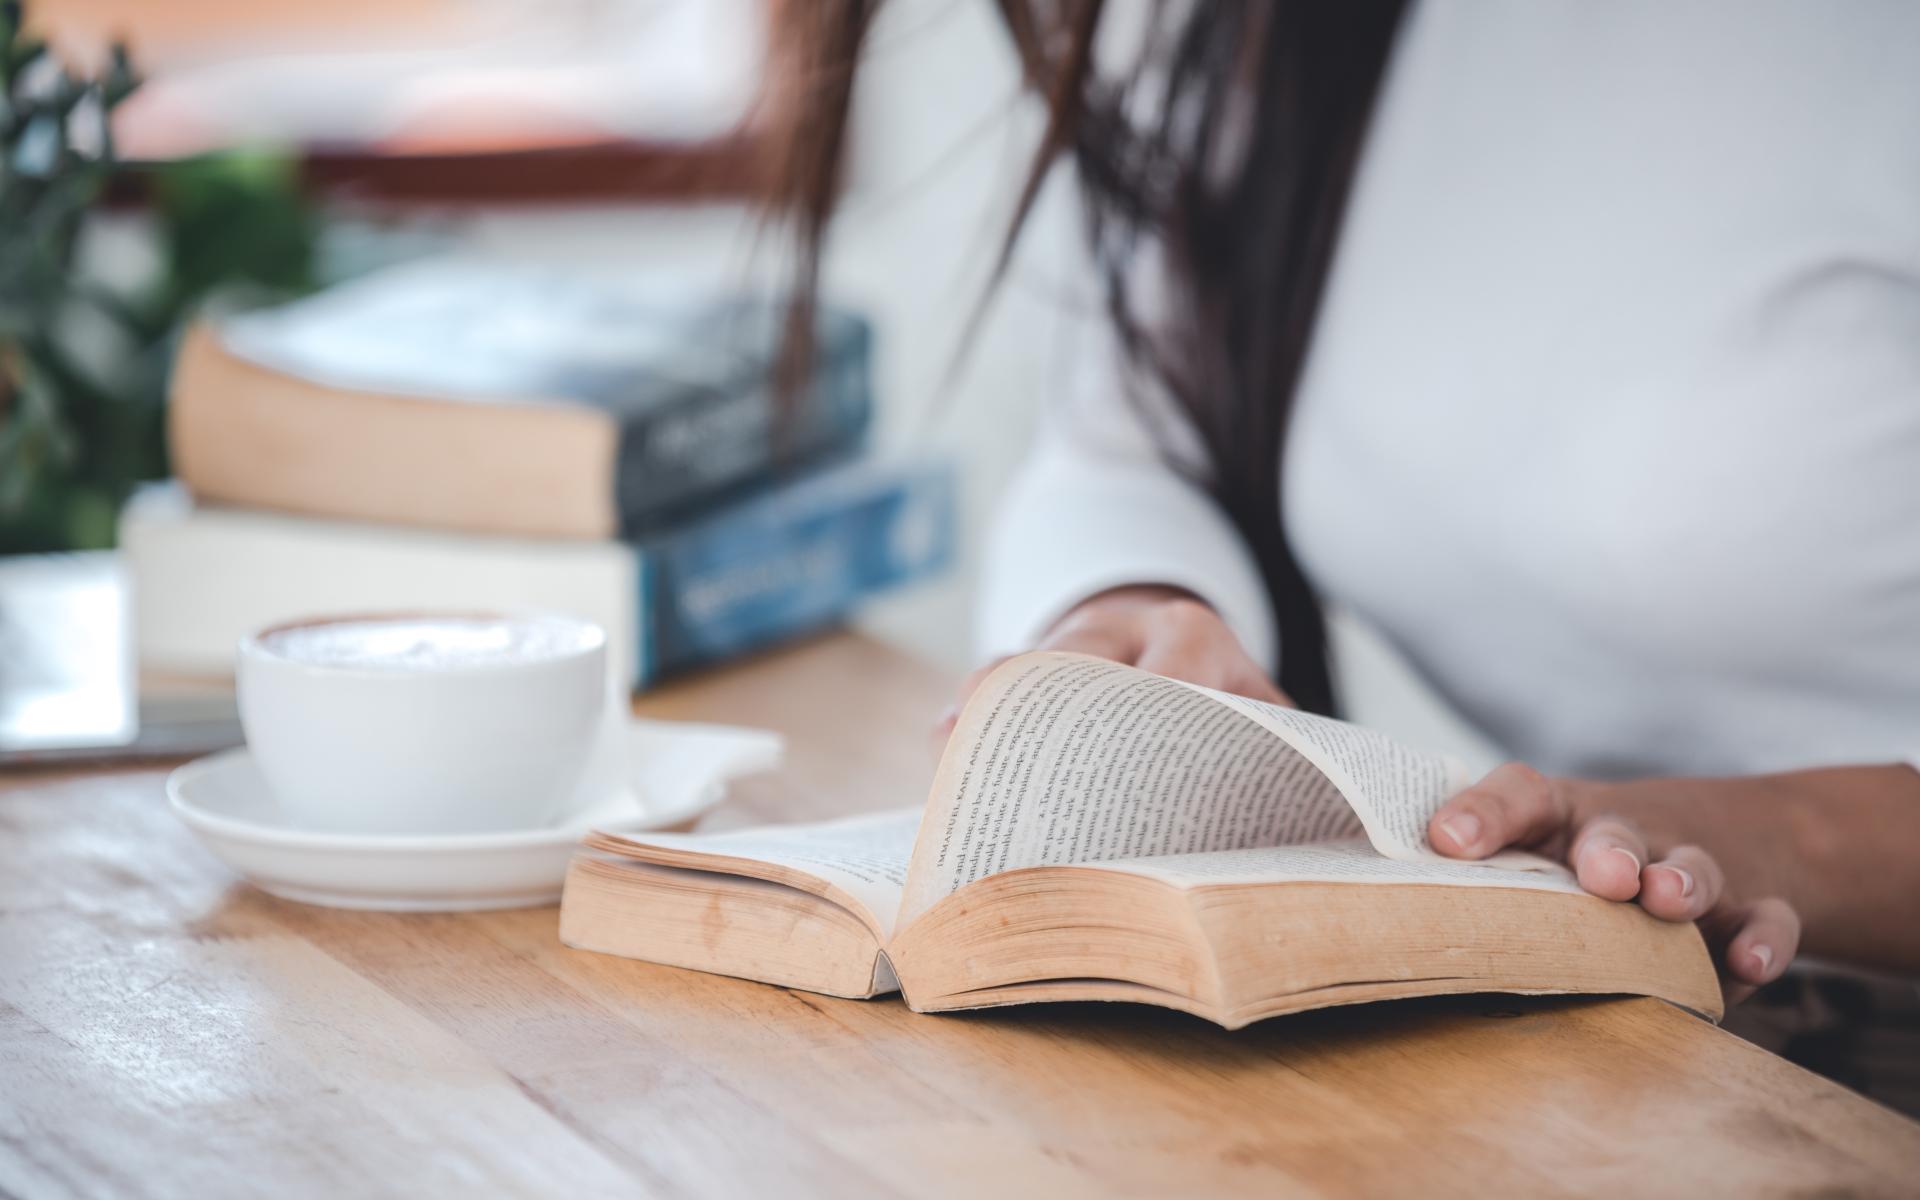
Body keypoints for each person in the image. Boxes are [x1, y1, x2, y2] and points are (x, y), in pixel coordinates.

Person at [764, 0, 1920, 1100]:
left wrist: (1798, 837)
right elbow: (1127, 444)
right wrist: (1137, 600)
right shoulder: (1264, 34)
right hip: (1618, 1016)